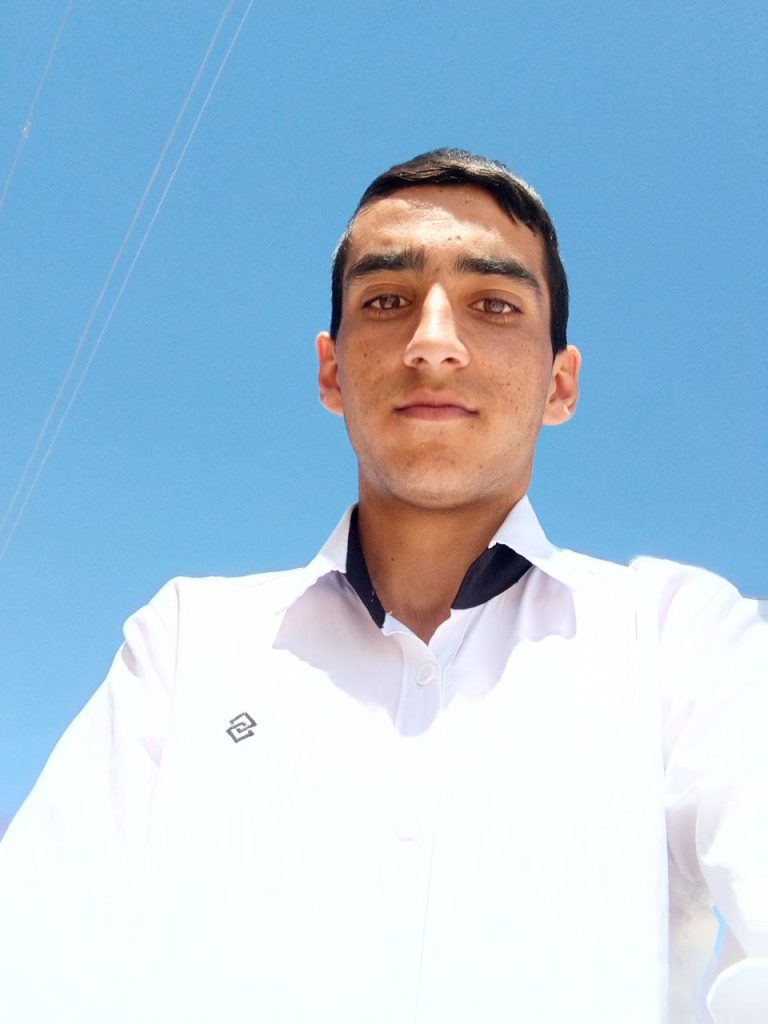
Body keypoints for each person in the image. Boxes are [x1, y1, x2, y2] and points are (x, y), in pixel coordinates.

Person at [0, 149, 765, 1024]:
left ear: (561, 383)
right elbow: (35, 955)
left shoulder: (682, 639)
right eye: (387, 301)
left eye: (495, 304)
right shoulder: (187, 641)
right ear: (331, 370)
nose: (434, 340)